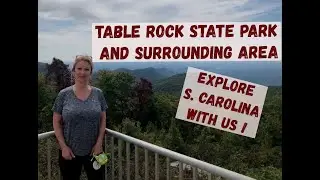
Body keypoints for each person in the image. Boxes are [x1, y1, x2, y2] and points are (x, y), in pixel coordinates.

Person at [52, 55, 108, 180]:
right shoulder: (63, 95)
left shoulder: (98, 93)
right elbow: (56, 121)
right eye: (79, 69)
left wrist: (99, 143)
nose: (82, 73)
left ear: (91, 72)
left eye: (86, 69)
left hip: (95, 151)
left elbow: (103, 119)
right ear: (74, 71)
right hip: (69, 152)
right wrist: (63, 147)